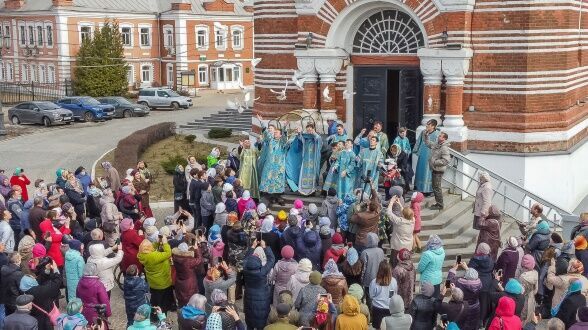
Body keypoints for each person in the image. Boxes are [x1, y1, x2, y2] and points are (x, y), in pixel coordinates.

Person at [257, 114, 291, 205]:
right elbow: (266, 133)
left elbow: (284, 137)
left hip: (279, 166)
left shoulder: (282, 143)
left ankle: (278, 197)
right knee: (269, 180)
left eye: (276, 133)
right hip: (269, 166)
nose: (274, 133)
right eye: (274, 132)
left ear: (280, 135)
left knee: (278, 181)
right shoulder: (271, 140)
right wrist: (261, 122)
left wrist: (284, 127)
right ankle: (271, 197)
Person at [137, 237, 175, 315]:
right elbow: (168, 253)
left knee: (155, 301)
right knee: (163, 303)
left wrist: (157, 242)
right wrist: (165, 243)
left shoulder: (142, 255)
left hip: (153, 283)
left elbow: (149, 248)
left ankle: (153, 315)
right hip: (163, 283)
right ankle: (162, 317)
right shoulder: (154, 256)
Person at [242, 240, 275, 330]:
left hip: (249, 296)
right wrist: (265, 247)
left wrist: (253, 246)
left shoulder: (245, 268)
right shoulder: (262, 271)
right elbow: (271, 260)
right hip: (262, 297)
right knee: (261, 321)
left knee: (249, 321)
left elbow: (246, 259)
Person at [21, 262, 62, 330]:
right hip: (44, 319)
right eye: (32, 279)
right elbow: (56, 283)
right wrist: (55, 270)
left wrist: (47, 270)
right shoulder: (39, 291)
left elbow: (37, 281)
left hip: (34, 315)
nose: (34, 279)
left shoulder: (25, 289)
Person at [286, 124, 323, 196]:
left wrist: (314, 134)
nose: (309, 130)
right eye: (307, 128)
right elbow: (300, 139)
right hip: (305, 159)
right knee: (303, 173)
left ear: (313, 128)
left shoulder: (316, 137)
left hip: (313, 159)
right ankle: (303, 190)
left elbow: (319, 141)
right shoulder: (305, 137)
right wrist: (299, 132)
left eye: (310, 128)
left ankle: (313, 190)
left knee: (313, 174)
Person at [172, 241, 203, 307]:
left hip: (179, 281)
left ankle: (182, 311)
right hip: (189, 283)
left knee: (181, 298)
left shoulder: (175, 257)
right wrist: (196, 249)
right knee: (190, 299)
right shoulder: (188, 261)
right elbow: (199, 260)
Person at [369, 261, 398, 329]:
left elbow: (371, 295)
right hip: (389, 308)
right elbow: (393, 294)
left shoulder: (374, 282)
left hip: (377, 309)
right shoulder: (394, 281)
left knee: (378, 327)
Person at [413, 119, 440, 194]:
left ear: (433, 126)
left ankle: (428, 190)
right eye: (426, 124)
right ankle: (418, 187)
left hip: (431, 155)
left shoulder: (437, 134)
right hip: (422, 154)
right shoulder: (423, 132)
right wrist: (416, 150)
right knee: (420, 170)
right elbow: (419, 141)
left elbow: (439, 146)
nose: (426, 126)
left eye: (428, 125)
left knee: (428, 172)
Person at [386, 198, 415, 266]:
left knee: (395, 265)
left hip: (398, 247)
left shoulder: (399, 221)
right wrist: (399, 204)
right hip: (408, 247)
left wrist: (391, 202)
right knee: (406, 264)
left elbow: (389, 213)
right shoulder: (413, 220)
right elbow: (406, 214)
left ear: (403, 214)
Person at [425, 131, 450, 209]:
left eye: (440, 136)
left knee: (437, 187)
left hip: (439, 170)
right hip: (435, 169)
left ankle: (440, 205)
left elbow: (446, 160)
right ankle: (438, 203)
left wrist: (435, 162)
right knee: (435, 186)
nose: (438, 137)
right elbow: (428, 143)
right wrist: (426, 136)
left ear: (444, 139)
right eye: (439, 135)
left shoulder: (444, 148)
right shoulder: (437, 144)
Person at [518, 254, 538, 326]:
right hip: (531, 299)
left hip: (523, 301)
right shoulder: (535, 273)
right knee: (528, 319)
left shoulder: (522, 277)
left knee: (521, 319)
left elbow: (520, 292)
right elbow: (536, 290)